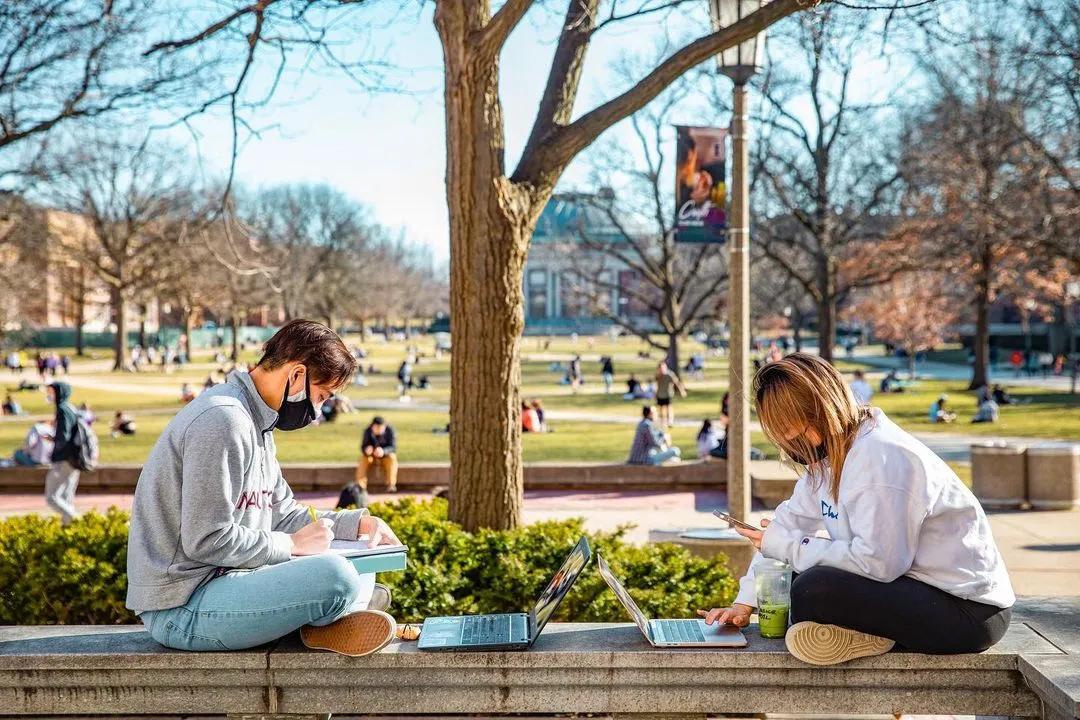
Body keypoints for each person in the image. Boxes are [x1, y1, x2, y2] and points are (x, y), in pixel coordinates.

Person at [701, 353, 1013, 665]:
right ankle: (864, 632)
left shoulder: (881, 458)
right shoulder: (827, 459)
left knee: (812, 588)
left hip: (968, 610)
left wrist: (793, 547)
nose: (789, 446)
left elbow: (879, 564)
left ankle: (867, 634)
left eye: (793, 432)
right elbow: (785, 528)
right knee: (796, 579)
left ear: (822, 410)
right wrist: (743, 604)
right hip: (912, 587)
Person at [126, 319, 402, 656]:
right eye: (320, 397)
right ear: (296, 375)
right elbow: (205, 539)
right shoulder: (223, 420)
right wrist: (291, 545)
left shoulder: (259, 424)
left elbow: (282, 512)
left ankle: (329, 618)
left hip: (231, 583)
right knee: (338, 577)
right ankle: (331, 617)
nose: (316, 412)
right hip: (183, 605)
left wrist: (354, 524)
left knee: (362, 566)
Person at [44, 381, 81, 526]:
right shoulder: (72, 408)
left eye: (52, 392)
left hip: (63, 459)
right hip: (74, 459)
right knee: (67, 497)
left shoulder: (62, 409)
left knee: (52, 497)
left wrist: (56, 445)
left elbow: (64, 436)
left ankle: (77, 520)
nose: (49, 395)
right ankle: (68, 530)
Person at [358, 415, 398, 493]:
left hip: (385, 456)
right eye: (376, 428)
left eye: (380, 428)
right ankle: (360, 485)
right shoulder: (367, 431)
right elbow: (363, 447)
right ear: (372, 426)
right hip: (371, 456)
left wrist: (383, 451)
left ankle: (391, 485)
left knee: (392, 458)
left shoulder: (390, 431)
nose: (378, 430)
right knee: (363, 459)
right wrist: (366, 450)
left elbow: (393, 447)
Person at [654, 362, 686, 427]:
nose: (661, 369)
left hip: (668, 394)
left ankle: (670, 421)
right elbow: (657, 385)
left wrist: (682, 391)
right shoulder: (658, 375)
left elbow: (676, 382)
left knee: (669, 408)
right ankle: (663, 422)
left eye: (662, 367)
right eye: (660, 368)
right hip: (660, 394)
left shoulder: (670, 374)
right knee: (661, 409)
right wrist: (655, 394)